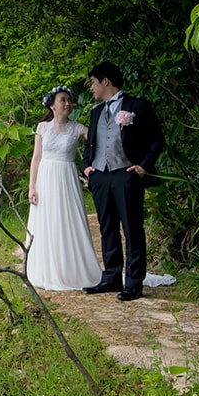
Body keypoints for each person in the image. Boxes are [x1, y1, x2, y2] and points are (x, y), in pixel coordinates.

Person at [81, 61, 165, 301]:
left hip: (127, 174)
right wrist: (88, 167)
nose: (92, 88)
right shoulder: (96, 111)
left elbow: (156, 139)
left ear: (105, 80)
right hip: (100, 176)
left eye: (93, 82)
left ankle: (134, 283)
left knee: (132, 229)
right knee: (107, 227)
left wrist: (143, 167)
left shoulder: (137, 106)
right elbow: (91, 144)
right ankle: (111, 278)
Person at [24, 85, 102, 291]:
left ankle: (72, 269)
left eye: (69, 100)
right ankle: (48, 269)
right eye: (62, 100)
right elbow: (36, 158)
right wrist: (32, 186)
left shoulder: (78, 128)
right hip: (46, 178)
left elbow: (99, 138)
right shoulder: (42, 128)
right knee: (47, 222)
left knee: (67, 219)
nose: (67, 104)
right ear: (52, 104)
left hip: (66, 177)